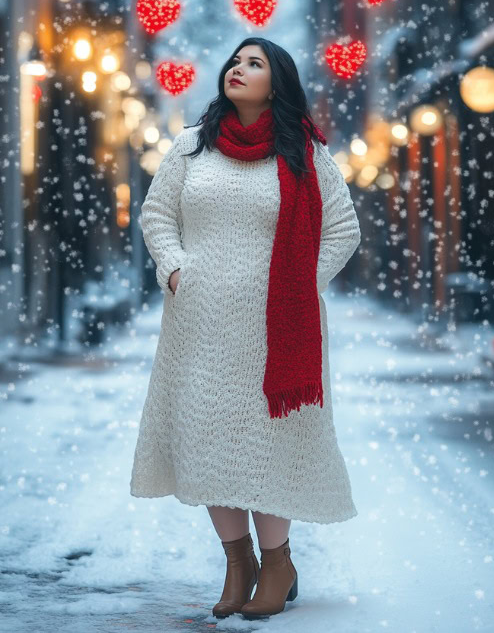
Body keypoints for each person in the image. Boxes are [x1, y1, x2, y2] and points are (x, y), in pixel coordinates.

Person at [130, 37, 361, 620]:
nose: (238, 68)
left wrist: (299, 289)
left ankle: (277, 562)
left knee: (267, 446)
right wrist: (176, 268)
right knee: (207, 441)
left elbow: (342, 231)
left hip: (274, 330)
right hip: (199, 326)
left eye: (254, 63)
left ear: (276, 83)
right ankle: (238, 563)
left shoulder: (304, 155)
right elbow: (157, 215)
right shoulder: (193, 147)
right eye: (235, 60)